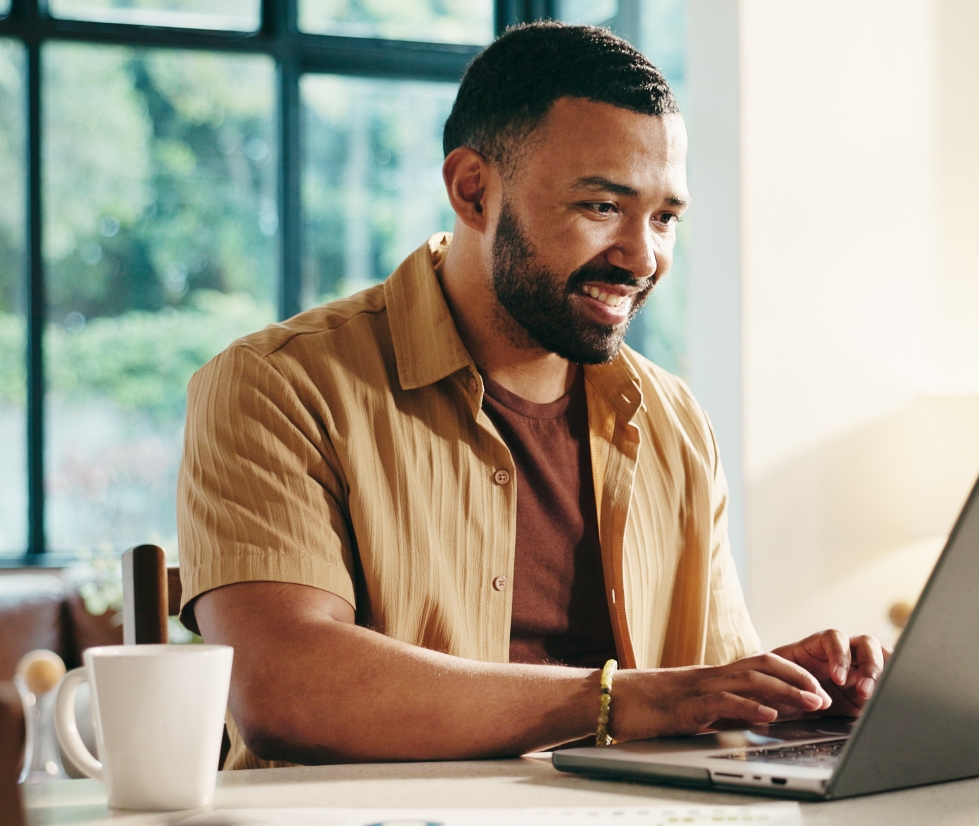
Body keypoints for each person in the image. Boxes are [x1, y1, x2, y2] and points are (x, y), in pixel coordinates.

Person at [177, 22, 886, 770]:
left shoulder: (676, 423)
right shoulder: (278, 386)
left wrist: (787, 699)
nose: (643, 257)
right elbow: (284, 689)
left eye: (666, 218)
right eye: (601, 208)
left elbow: (693, 690)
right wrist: (620, 701)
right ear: (473, 190)